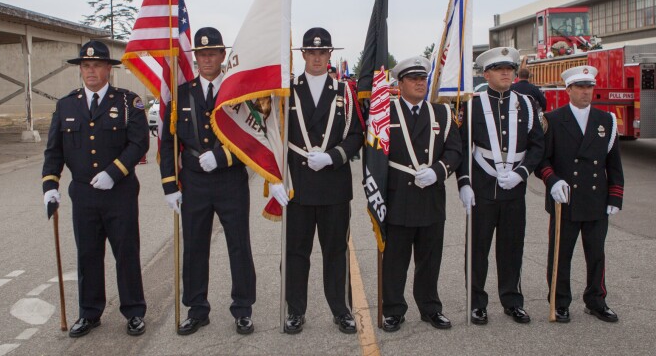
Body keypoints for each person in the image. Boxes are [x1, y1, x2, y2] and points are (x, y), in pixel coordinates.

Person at [41, 40, 149, 338]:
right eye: (85, 66)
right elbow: (54, 150)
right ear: (80, 70)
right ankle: (89, 313)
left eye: (97, 65)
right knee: (88, 254)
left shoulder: (129, 102)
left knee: (126, 252)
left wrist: (114, 173)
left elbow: (139, 142)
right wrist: (50, 185)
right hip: (84, 194)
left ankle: (134, 311)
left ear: (108, 70)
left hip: (120, 192)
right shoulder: (66, 105)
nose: (90, 71)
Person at [159, 27, 256, 336]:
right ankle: (197, 309)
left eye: (212, 53)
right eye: (201, 54)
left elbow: (253, 138)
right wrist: (170, 185)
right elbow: (167, 143)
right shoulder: (182, 94)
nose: (207, 59)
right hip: (194, 182)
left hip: (230, 180)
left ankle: (243, 309)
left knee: (239, 246)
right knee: (195, 248)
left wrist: (223, 157)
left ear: (222, 56)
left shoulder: (236, 91)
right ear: (195, 57)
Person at [268, 27, 363, 335]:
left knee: (336, 251)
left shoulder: (345, 92)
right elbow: (274, 137)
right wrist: (273, 178)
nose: (318, 57)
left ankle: (341, 309)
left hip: (334, 184)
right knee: (296, 253)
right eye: (312, 52)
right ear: (303, 55)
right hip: (298, 183)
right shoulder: (287, 91)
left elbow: (356, 136)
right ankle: (295, 310)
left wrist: (334, 157)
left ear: (330, 55)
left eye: (323, 52)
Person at [456, 47, 544, 325]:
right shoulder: (472, 104)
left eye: (510, 68)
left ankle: (512, 300)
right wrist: (464, 182)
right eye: (499, 69)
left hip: (514, 188)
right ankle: (476, 302)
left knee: (512, 247)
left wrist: (522, 172)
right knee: (478, 249)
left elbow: (537, 145)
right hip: (482, 187)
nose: (507, 73)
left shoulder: (527, 104)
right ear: (486, 73)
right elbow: (461, 147)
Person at [380, 57, 463, 332]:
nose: (419, 83)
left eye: (422, 79)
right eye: (413, 79)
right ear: (400, 83)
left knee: (429, 259)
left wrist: (439, 171)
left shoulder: (441, 114)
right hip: (399, 198)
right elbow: (376, 157)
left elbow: (455, 151)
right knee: (396, 260)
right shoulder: (386, 114)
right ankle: (393, 309)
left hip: (430, 196)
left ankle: (430, 307)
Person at [536, 65, 624, 323]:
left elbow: (613, 162)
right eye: (581, 87)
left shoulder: (606, 120)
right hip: (566, 200)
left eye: (590, 87)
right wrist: (552, 181)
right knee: (561, 254)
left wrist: (615, 196)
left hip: (596, 199)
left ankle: (596, 300)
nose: (586, 92)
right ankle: (560, 301)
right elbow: (542, 161)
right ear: (568, 90)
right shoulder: (552, 119)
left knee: (596, 254)